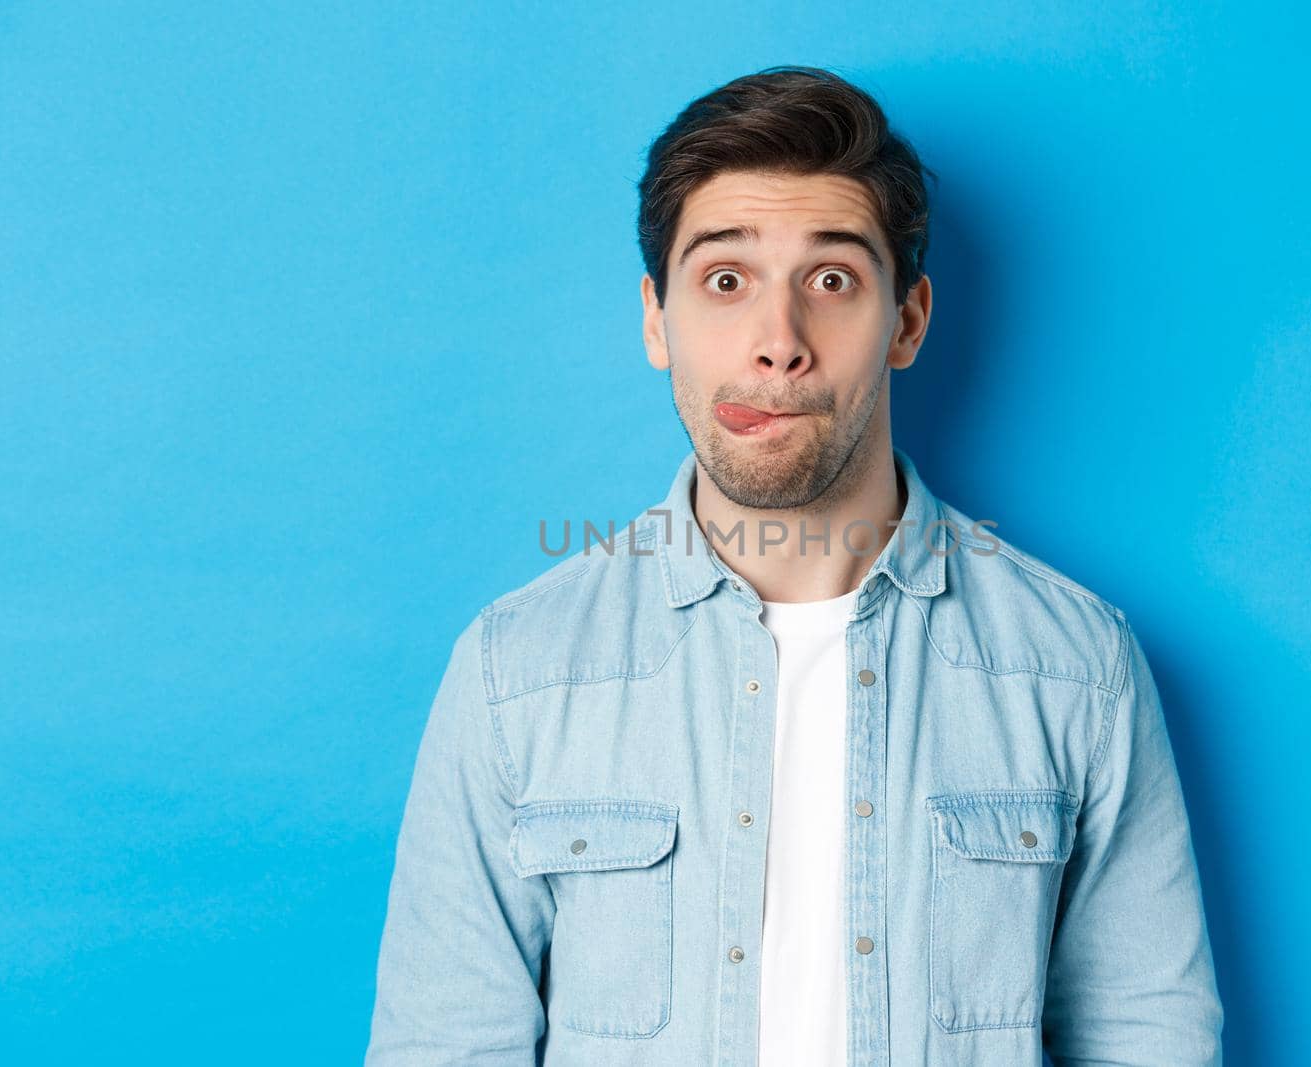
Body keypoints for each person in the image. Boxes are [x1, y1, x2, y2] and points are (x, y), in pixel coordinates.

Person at [365, 64, 1223, 1066]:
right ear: (656, 318)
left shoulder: (1077, 666)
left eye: (831, 280)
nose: (778, 343)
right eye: (725, 281)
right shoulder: (517, 671)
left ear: (906, 320)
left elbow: (1146, 1037)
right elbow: (442, 1044)